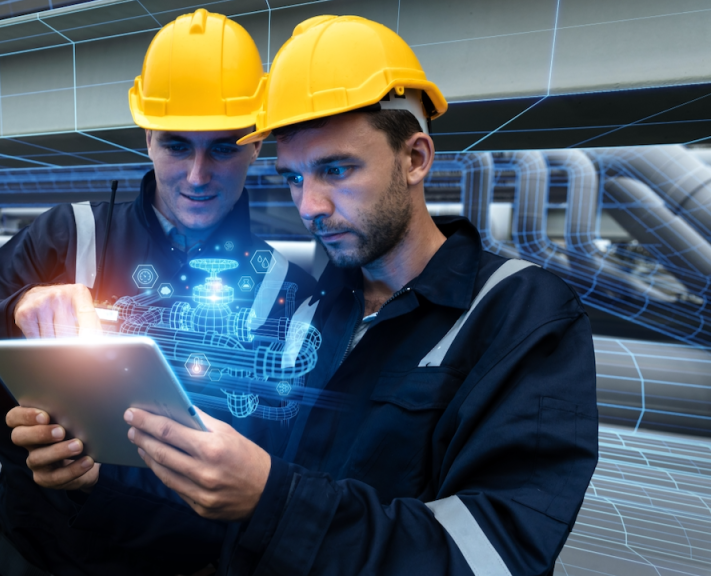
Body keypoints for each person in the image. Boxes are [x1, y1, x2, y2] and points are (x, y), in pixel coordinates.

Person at [122, 15, 599, 575]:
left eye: (336, 169)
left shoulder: (520, 316)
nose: (309, 207)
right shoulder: (307, 309)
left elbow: (493, 554)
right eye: (294, 177)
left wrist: (272, 500)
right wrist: (101, 466)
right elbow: (232, 478)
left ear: (415, 157)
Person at [0, 9, 315, 576]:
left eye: (223, 148)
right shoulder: (68, 238)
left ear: (256, 145)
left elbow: (278, 480)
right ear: (147, 137)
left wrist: (103, 483)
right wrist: (14, 316)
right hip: (32, 558)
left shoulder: (287, 295)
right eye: (177, 145)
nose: (198, 175)